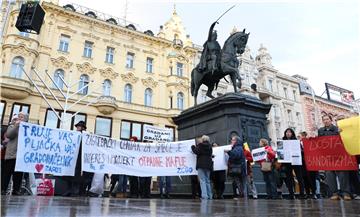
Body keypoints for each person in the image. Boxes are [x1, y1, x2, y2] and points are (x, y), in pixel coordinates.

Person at [318, 114, 351, 200]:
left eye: (327, 119)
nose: (326, 121)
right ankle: (334, 193)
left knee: (342, 174)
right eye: (324, 120)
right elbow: (319, 143)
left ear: (331, 120)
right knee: (329, 175)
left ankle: (345, 193)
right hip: (327, 157)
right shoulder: (320, 131)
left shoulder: (337, 129)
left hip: (339, 156)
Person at [1, 112, 28, 195]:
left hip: (20, 156)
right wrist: (16, 126)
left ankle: (16, 190)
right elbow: (9, 135)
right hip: (11, 155)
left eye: (22, 117)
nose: (20, 118)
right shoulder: (12, 126)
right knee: (6, 174)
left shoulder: (28, 129)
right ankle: (3, 189)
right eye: (19, 116)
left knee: (18, 175)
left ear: (26, 119)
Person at [281, 128, 306, 199]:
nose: (288, 133)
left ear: (292, 133)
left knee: (299, 177)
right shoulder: (282, 141)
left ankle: (302, 194)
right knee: (289, 178)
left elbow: (301, 151)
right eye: (286, 132)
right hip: (287, 162)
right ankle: (291, 194)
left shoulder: (296, 141)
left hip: (296, 161)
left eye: (289, 132)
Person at [191, 135, 213, 200]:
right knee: (207, 180)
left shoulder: (200, 145)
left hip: (201, 164)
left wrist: (193, 147)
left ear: (203, 139)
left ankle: (204, 196)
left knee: (202, 180)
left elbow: (196, 152)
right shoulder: (210, 146)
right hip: (208, 165)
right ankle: (210, 195)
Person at [225, 136, 247, 200]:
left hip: (238, 168)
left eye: (232, 140)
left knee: (239, 182)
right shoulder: (239, 147)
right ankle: (241, 195)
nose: (231, 141)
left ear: (236, 141)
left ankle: (241, 195)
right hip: (239, 168)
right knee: (240, 182)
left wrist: (228, 152)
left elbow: (236, 155)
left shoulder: (238, 148)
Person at [299, 131, 319, 199]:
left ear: (304, 136)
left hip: (310, 163)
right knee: (304, 179)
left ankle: (314, 192)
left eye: (300, 136)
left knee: (312, 178)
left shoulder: (309, 142)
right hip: (302, 164)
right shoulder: (298, 144)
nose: (299, 138)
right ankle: (307, 193)